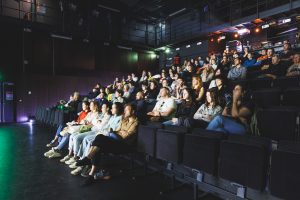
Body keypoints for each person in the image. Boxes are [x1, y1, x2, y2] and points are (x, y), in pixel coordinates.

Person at [75, 104, 139, 186]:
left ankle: (88, 159)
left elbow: (126, 136)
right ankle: (91, 174)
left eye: (127, 110)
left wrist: (120, 132)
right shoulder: (124, 120)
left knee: (100, 139)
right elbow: (118, 131)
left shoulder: (136, 122)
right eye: (125, 109)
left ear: (133, 111)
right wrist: (121, 132)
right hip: (117, 141)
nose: (125, 111)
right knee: (98, 144)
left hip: (124, 146)